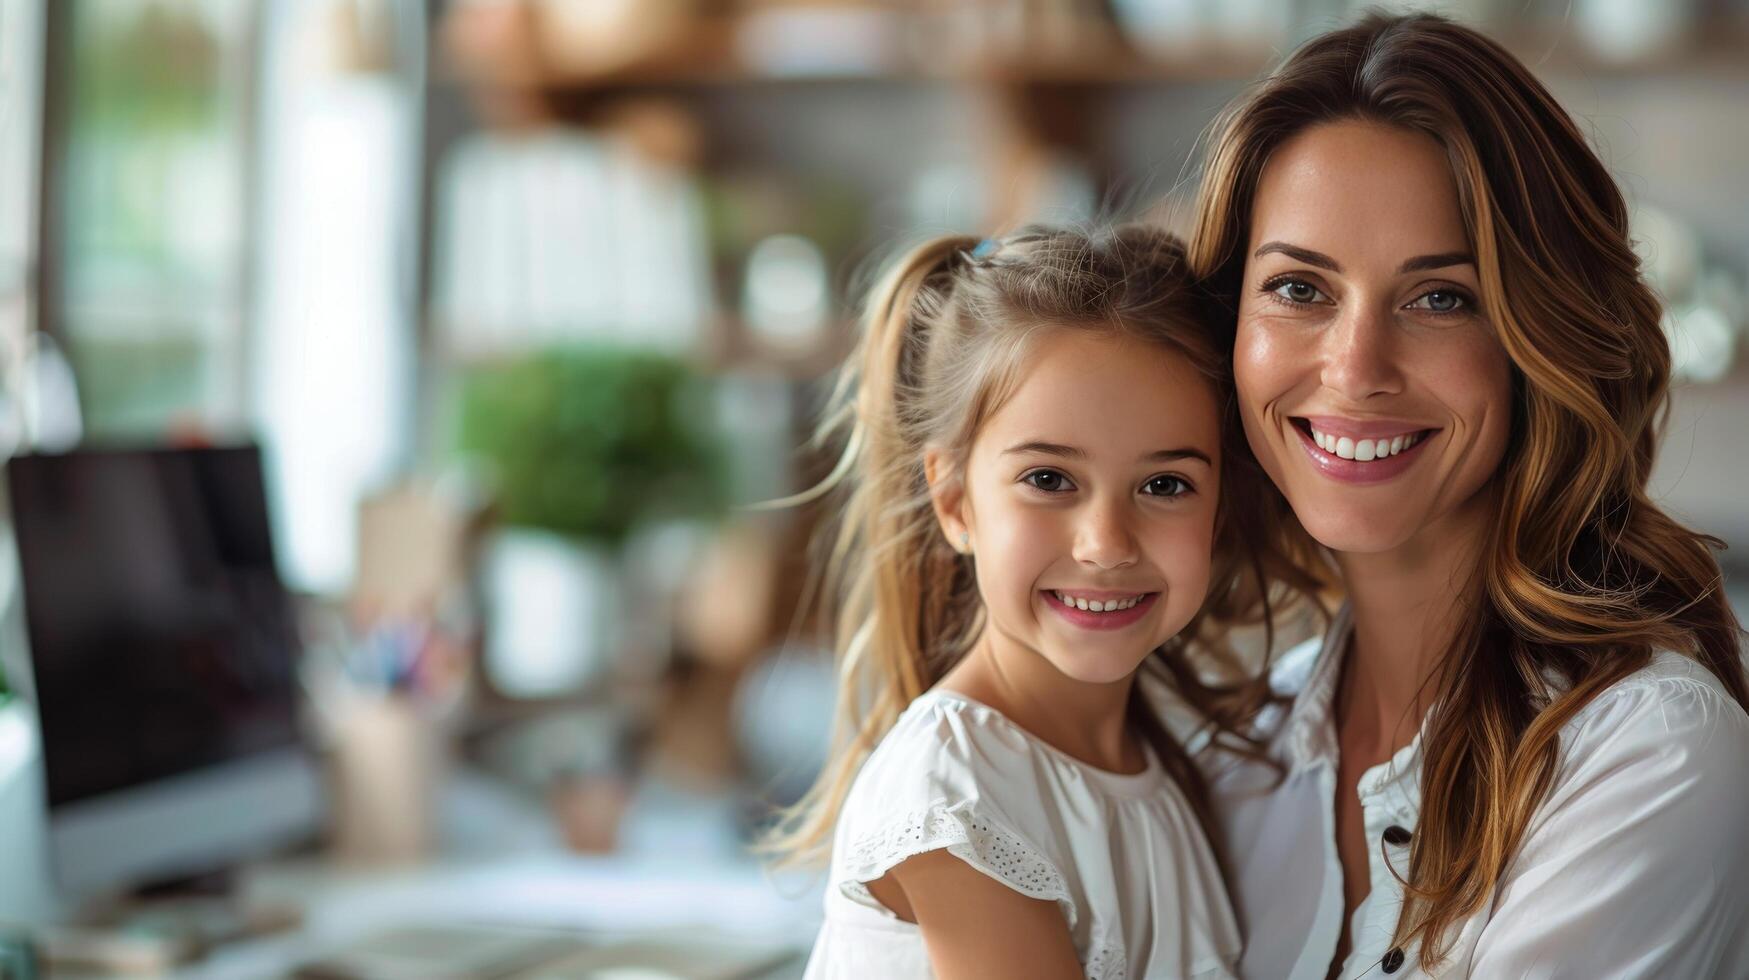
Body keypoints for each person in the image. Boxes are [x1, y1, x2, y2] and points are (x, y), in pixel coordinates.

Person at [1186, 12, 1749, 978]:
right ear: (1228, 332)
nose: (1356, 368)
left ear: (1540, 342)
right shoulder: (1229, 757)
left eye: (1441, 298)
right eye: (1298, 289)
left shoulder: (1647, 750)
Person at [765, 226, 1307, 979]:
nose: (1105, 543)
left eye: (1164, 485)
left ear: (1217, 512)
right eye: (1049, 480)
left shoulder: (1162, 769)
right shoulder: (955, 793)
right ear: (955, 501)